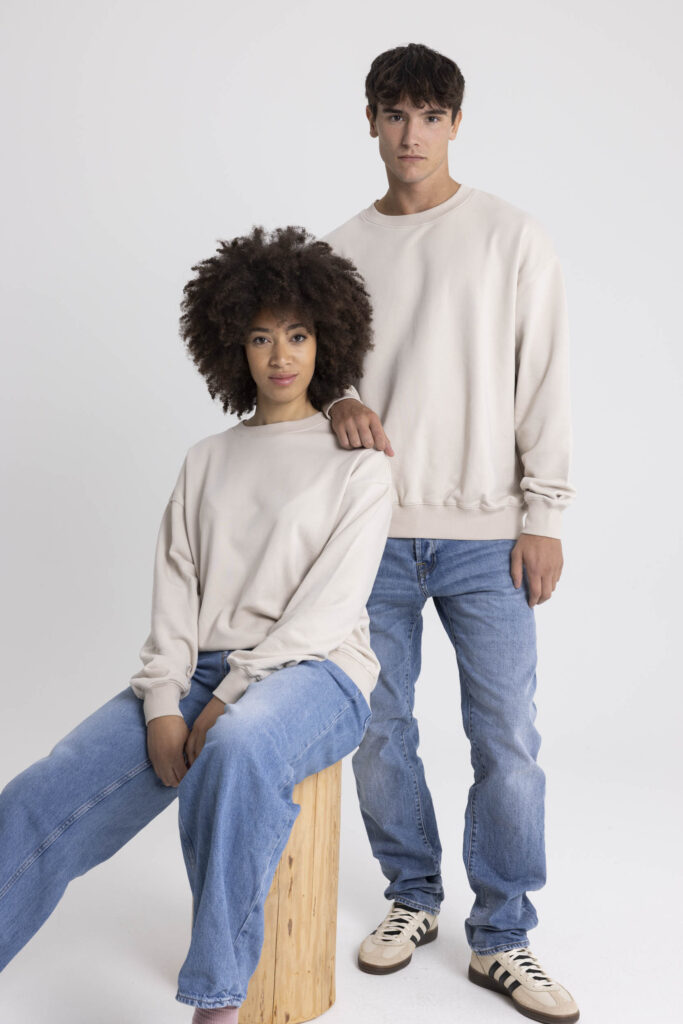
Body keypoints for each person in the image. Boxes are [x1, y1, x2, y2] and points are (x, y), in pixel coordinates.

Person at [0, 225, 393, 1022]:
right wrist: (162, 702)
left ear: (327, 340)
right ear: (232, 346)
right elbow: (176, 592)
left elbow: (326, 609)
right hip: (200, 670)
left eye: (297, 334)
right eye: (260, 336)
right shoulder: (206, 459)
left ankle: (216, 1002)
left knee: (239, 748)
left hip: (317, 672)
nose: (279, 355)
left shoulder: (359, 464)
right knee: (40, 794)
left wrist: (227, 698)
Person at [317, 43, 580, 1023]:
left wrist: (542, 514)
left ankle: (503, 934)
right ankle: (412, 894)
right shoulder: (338, 251)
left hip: (485, 536)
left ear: (455, 124)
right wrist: (339, 398)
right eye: (394, 113)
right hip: (370, 535)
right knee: (375, 730)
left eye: (429, 115)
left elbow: (541, 377)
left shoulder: (510, 236)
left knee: (505, 738)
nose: (410, 134)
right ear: (369, 120)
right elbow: (312, 373)